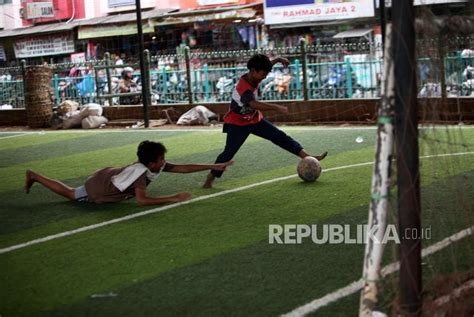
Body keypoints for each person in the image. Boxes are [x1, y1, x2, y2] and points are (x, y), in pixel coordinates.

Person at [203, 54, 327, 188]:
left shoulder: (255, 74)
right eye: (263, 74)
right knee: (228, 153)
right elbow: (253, 104)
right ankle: (210, 178)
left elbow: (266, 66)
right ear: (253, 71)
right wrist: (276, 107)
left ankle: (308, 157)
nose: (265, 76)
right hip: (238, 123)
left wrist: (278, 60)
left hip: (254, 119)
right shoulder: (244, 88)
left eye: (266, 73)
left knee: (280, 137)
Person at [25, 141, 233, 205]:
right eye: (161, 159)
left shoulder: (151, 165)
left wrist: (213, 166)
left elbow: (183, 168)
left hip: (108, 175)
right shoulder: (140, 174)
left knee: (71, 192)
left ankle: (35, 176)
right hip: (99, 186)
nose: (164, 162)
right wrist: (174, 198)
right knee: (71, 195)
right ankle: (35, 176)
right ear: (151, 162)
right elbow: (142, 200)